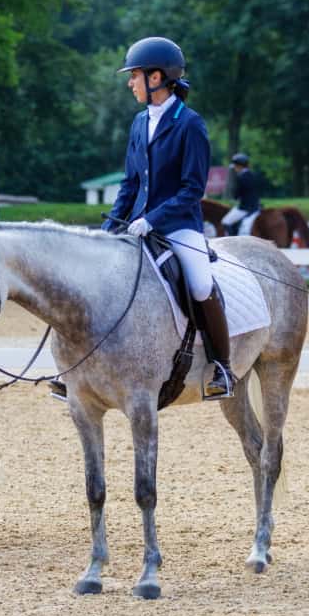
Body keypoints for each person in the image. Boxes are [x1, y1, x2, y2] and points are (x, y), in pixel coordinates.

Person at [100, 37, 234, 400]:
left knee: (201, 284)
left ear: (156, 77)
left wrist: (153, 218)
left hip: (178, 226)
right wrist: (110, 226)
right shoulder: (138, 122)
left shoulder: (190, 124)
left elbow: (193, 189)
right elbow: (130, 184)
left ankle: (221, 365)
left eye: (135, 76)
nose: (130, 83)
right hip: (136, 225)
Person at [221, 152, 260, 236]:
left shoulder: (241, 177)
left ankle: (232, 240)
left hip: (245, 208)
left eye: (235, 166)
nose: (234, 168)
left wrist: (234, 199)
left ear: (239, 166)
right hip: (256, 206)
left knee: (225, 221)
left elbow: (237, 194)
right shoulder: (253, 175)